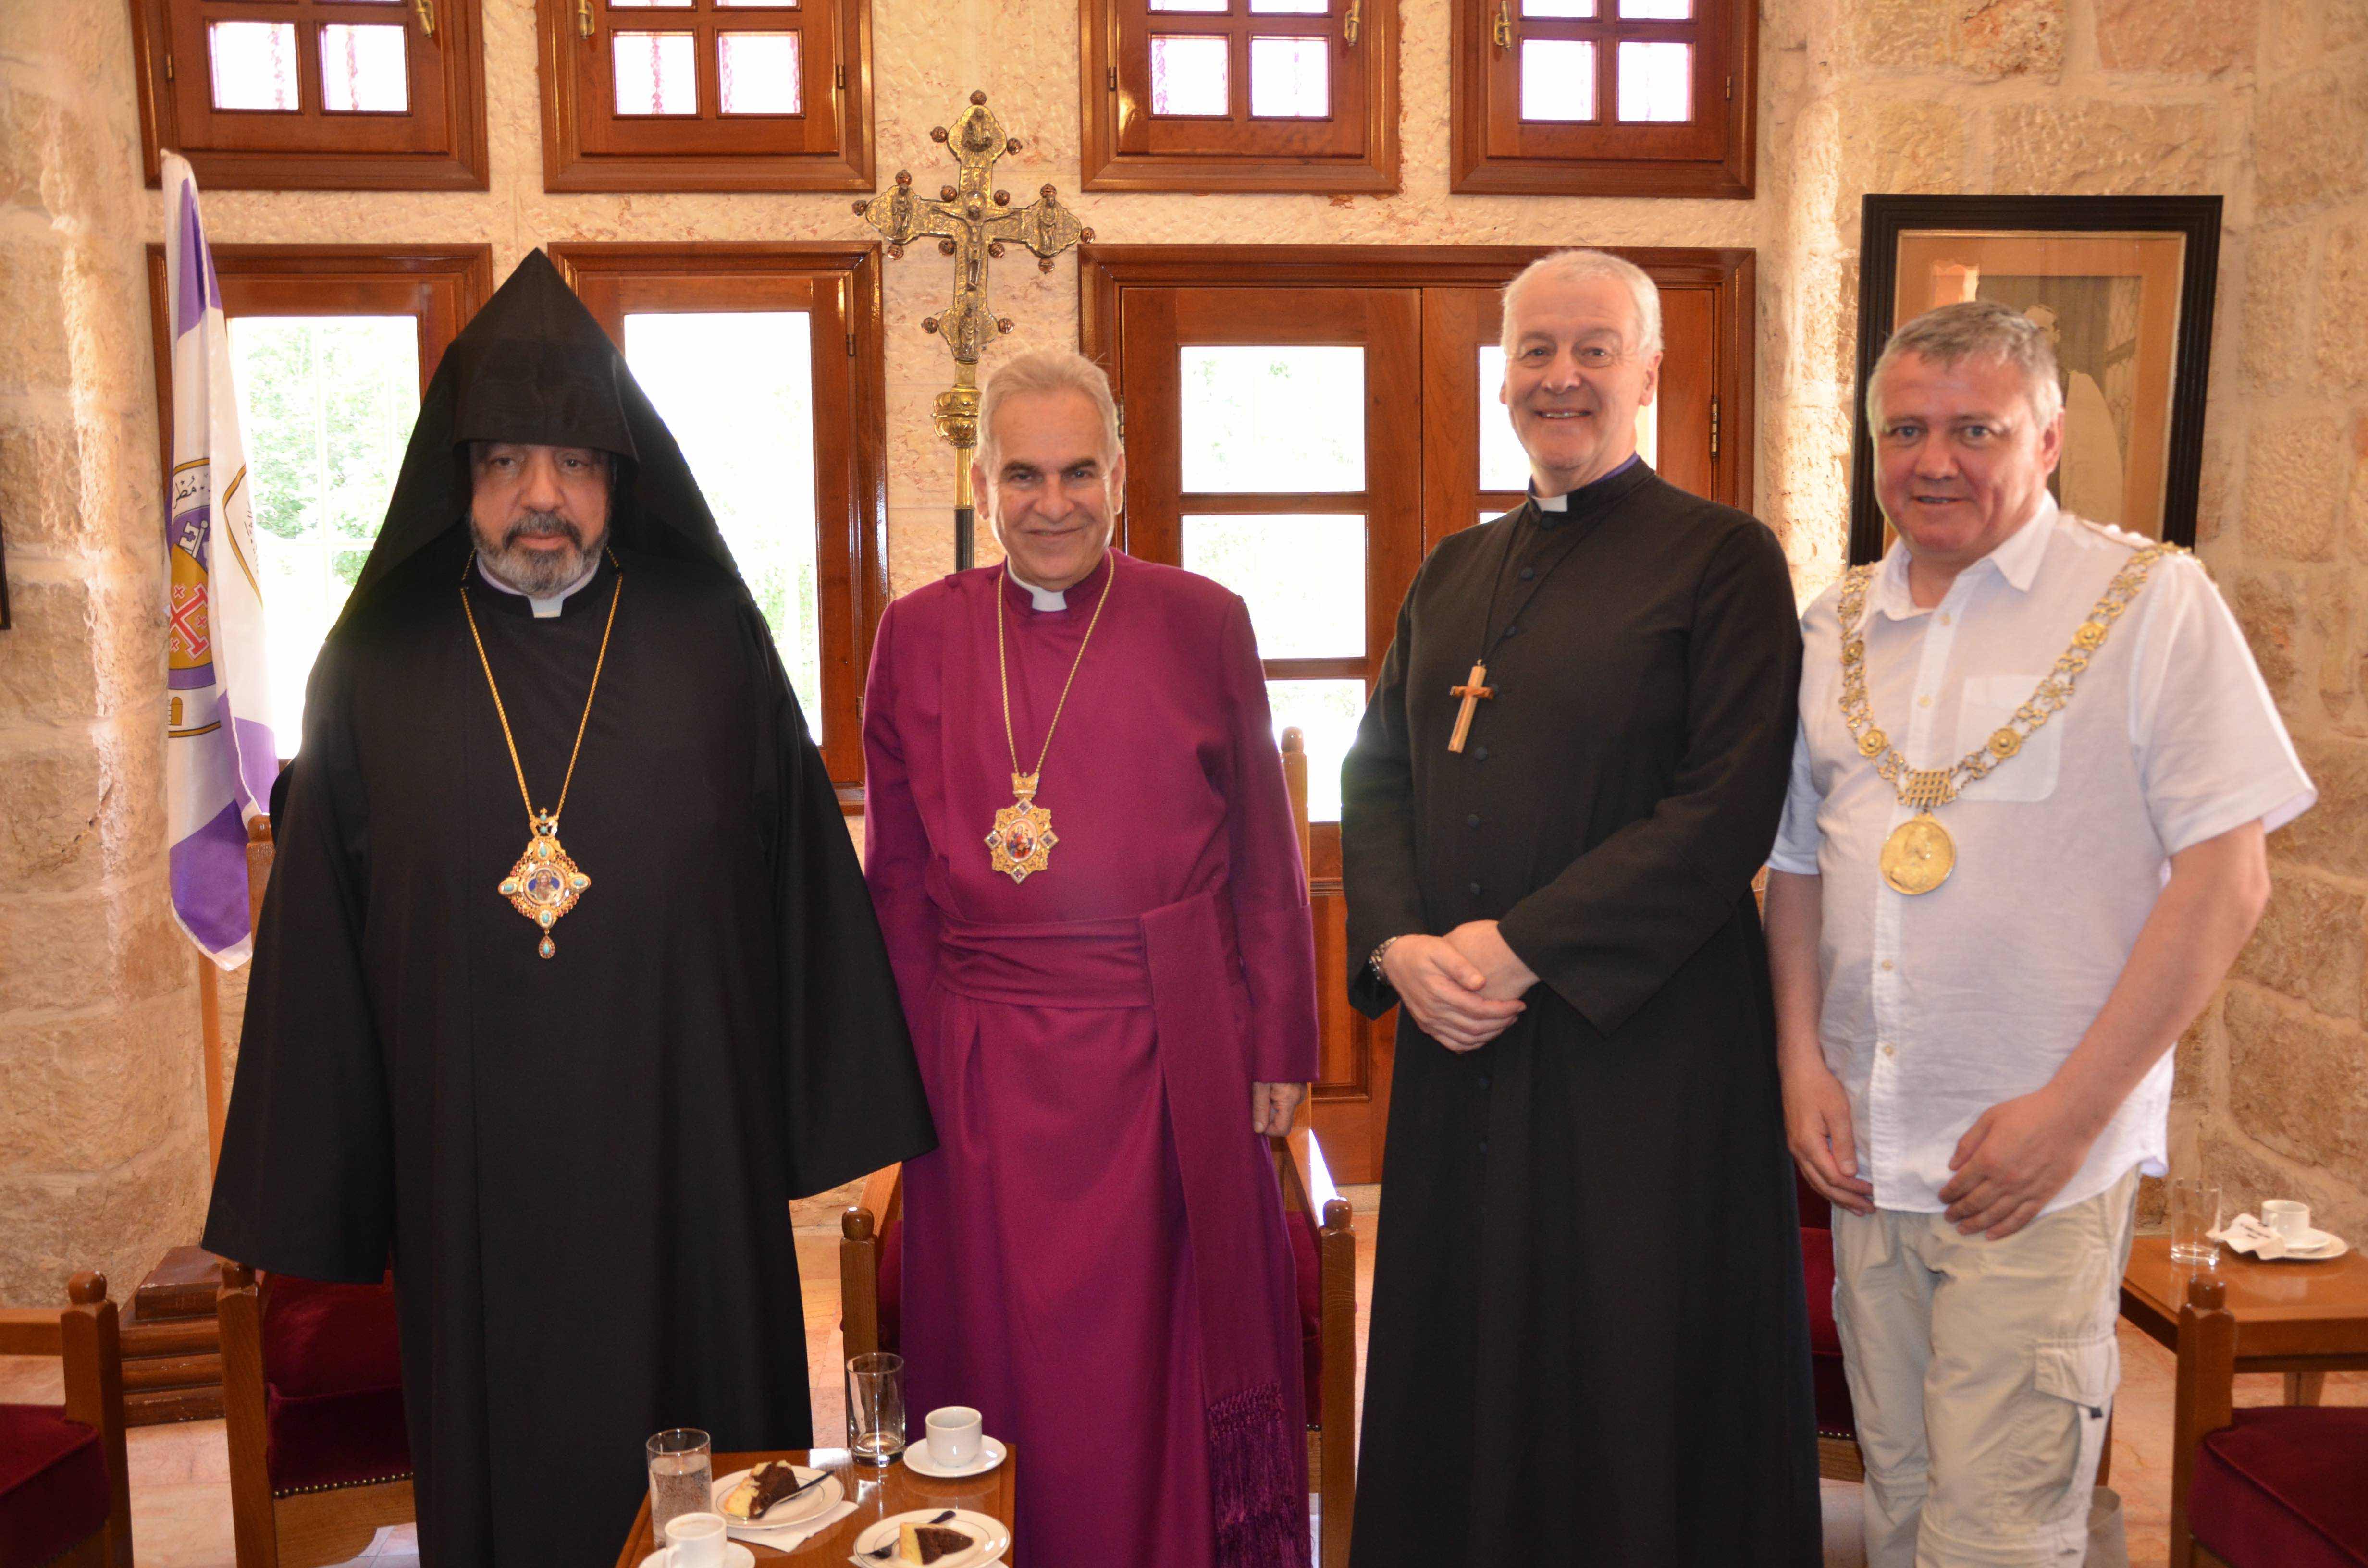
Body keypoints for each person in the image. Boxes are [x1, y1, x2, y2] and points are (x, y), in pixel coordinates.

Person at [203, 251, 936, 1567]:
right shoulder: (375, 661)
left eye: (576, 463)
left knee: (717, 1473)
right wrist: (319, 1180)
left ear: (620, 476)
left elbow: (804, 895)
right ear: (461, 477)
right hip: (472, 1171)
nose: (542, 498)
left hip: (689, 1146)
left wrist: (826, 1097)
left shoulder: (712, 635)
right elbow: (321, 940)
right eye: (506, 464)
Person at [1764, 299, 2313, 1568]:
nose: (1935, 459)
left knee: (2003, 1526)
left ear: (2051, 439)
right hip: (1869, 1150)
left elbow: (2229, 880)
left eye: (1977, 429)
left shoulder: (2150, 601)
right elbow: (1797, 865)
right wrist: (1801, 1065)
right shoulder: (1835, 624)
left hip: (2037, 1159)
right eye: (1905, 428)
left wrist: (2072, 1113)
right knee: (1899, 1500)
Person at [1340, 248, 1821, 1566]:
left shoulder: (1724, 561)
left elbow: (1727, 808)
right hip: (1462, 1044)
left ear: (1648, 371)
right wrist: (1398, 945)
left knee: (1628, 1359)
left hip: (1646, 1057)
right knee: (1469, 1349)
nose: (1563, 376)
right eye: (1538, 350)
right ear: (1504, 380)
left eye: (1595, 349)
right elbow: (1374, 768)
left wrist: (1519, 948)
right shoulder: (1452, 569)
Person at [862, 348, 1319, 1568]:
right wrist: (892, 1081)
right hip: (982, 1057)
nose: (1050, 502)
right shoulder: (915, 636)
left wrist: (1280, 1040)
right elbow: (897, 884)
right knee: (1006, 1353)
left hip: (1170, 1047)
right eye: (1022, 474)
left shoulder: (1203, 620)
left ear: (1120, 475)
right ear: (983, 478)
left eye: (1077, 473)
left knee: (1160, 1351)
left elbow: (1266, 860)